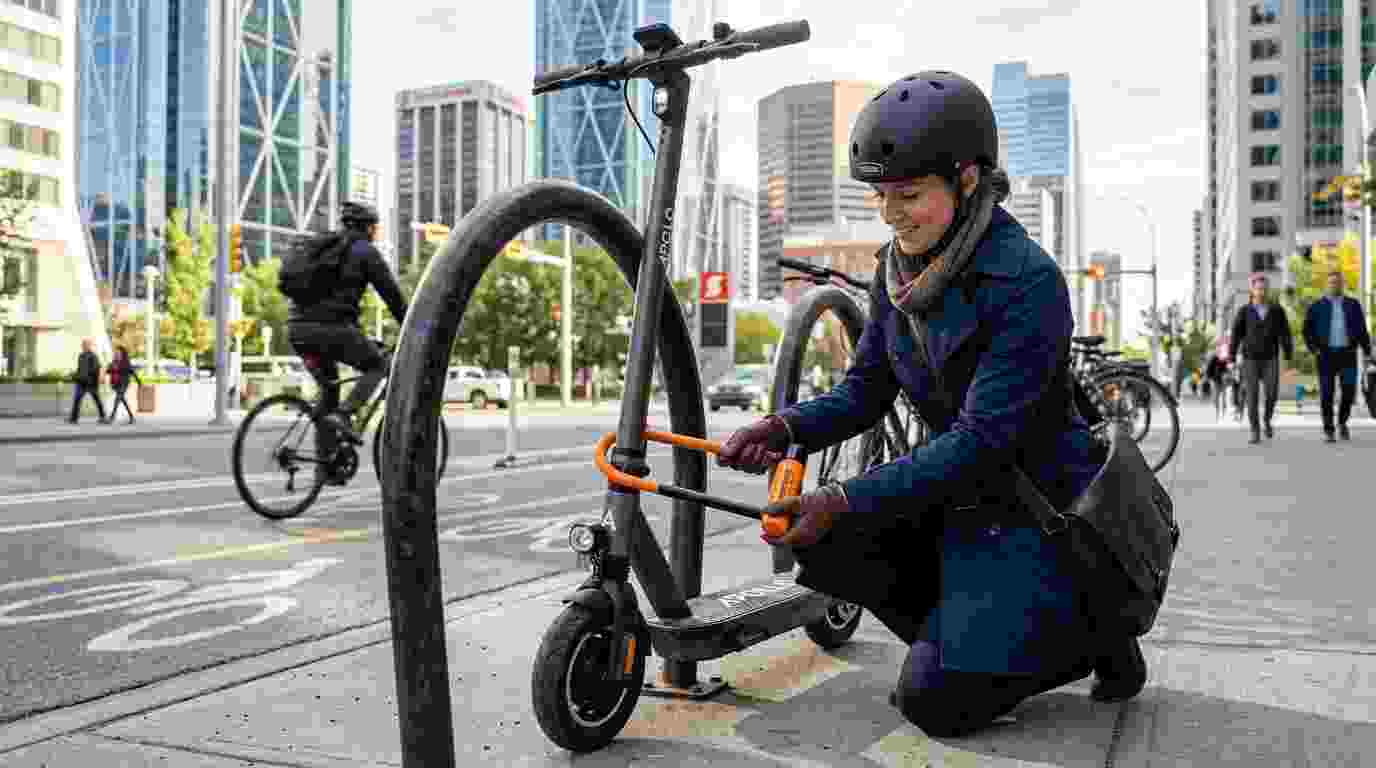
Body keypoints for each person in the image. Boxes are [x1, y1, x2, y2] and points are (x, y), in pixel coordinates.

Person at [717, 71, 1140, 739]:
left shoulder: (1027, 282)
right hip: (958, 499)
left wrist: (844, 497)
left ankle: (1088, 633)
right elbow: (864, 391)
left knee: (934, 705)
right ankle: (976, 638)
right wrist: (784, 426)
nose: (891, 215)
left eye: (909, 196)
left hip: (1037, 514)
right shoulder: (899, 270)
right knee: (827, 549)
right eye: (880, 197)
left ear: (967, 180)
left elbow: (981, 442)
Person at [285, 201, 408, 484]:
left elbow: (332, 301)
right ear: (367, 227)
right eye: (375, 228)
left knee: (328, 393)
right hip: (332, 331)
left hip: (298, 331)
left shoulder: (325, 248)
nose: (376, 233)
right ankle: (346, 414)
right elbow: (393, 297)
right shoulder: (364, 251)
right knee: (378, 365)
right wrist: (413, 327)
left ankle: (326, 468)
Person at [1303, 269, 1371, 442]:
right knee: (1327, 393)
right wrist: (1314, 349)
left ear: (1343, 284)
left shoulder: (1353, 304)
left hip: (1347, 354)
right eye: (1332, 282)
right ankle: (1328, 429)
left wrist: (1367, 352)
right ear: (1327, 285)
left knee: (1349, 391)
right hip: (1325, 355)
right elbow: (1306, 331)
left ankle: (1342, 422)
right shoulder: (1317, 306)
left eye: (1338, 282)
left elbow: (1362, 330)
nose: (1335, 285)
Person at [1228, 273, 1293, 443]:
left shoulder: (1277, 311)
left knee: (1272, 393)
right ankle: (1255, 430)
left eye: (1264, 288)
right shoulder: (1244, 311)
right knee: (1252, 396)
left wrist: (1288, 354)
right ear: (1252, 290)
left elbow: (1285, 333)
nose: (1261, 291)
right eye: (1258, 288)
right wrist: (1231, 357)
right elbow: (1236, 334)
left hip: (1271, 358)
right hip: (1250, 359)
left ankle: (1267, 419)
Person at [67, 338, 106, 424]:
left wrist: (97, 379)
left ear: (89, 346)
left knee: (97, 399)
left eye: (85, 344)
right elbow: (79, 368)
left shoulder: (93, 356)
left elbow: (97, 368)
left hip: (91, 383)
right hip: (81, 382)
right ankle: (74, 418)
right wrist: (75, 375)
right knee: (77, 399)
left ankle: (103, 416)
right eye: (83, 345)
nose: (83, 346)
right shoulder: (80, 356)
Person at [103, 346, 142, 425]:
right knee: (122, 400)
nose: (116, 354)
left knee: (117, 399)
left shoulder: (125, 362)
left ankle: (111, 417)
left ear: (122, 354)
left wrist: (139, 381)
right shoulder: (113, 362)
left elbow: (132, 371)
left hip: (124, 383)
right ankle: (131, 417)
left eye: (118, 353)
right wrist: (106, 370)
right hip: (116, 384)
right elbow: (108, 371)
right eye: (116, 353)